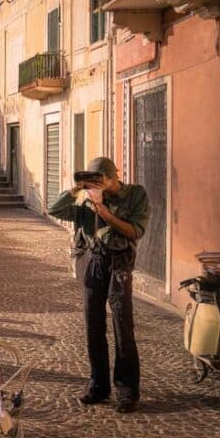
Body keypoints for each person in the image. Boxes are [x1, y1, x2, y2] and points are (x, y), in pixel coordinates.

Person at [48, 156, 150, 413]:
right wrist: (76, 189)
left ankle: (127, 391)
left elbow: (135, 231)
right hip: (95, 261)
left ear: (111, 177)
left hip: (120, 263)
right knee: (93, 324)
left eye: (98, 179)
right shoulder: (87, 202)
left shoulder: (135, 195)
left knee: (122, 326)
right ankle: (99, 385)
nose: (94, 183)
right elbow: (55, 209)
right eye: (90, 179)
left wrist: (105, 212)